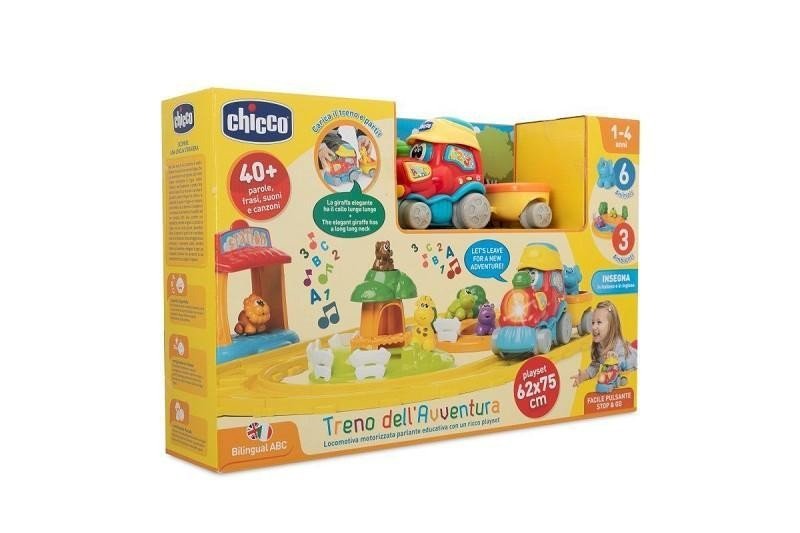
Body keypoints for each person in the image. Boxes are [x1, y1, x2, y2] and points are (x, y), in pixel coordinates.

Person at [571, 300, 637, 387]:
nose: (594, 327)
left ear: (611, 326)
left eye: (599, 322)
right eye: (592, 322)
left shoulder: (618, 345)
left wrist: (615, 359)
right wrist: (584, 376)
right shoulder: (599, 346)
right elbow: (595, 365)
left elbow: (624, 363)